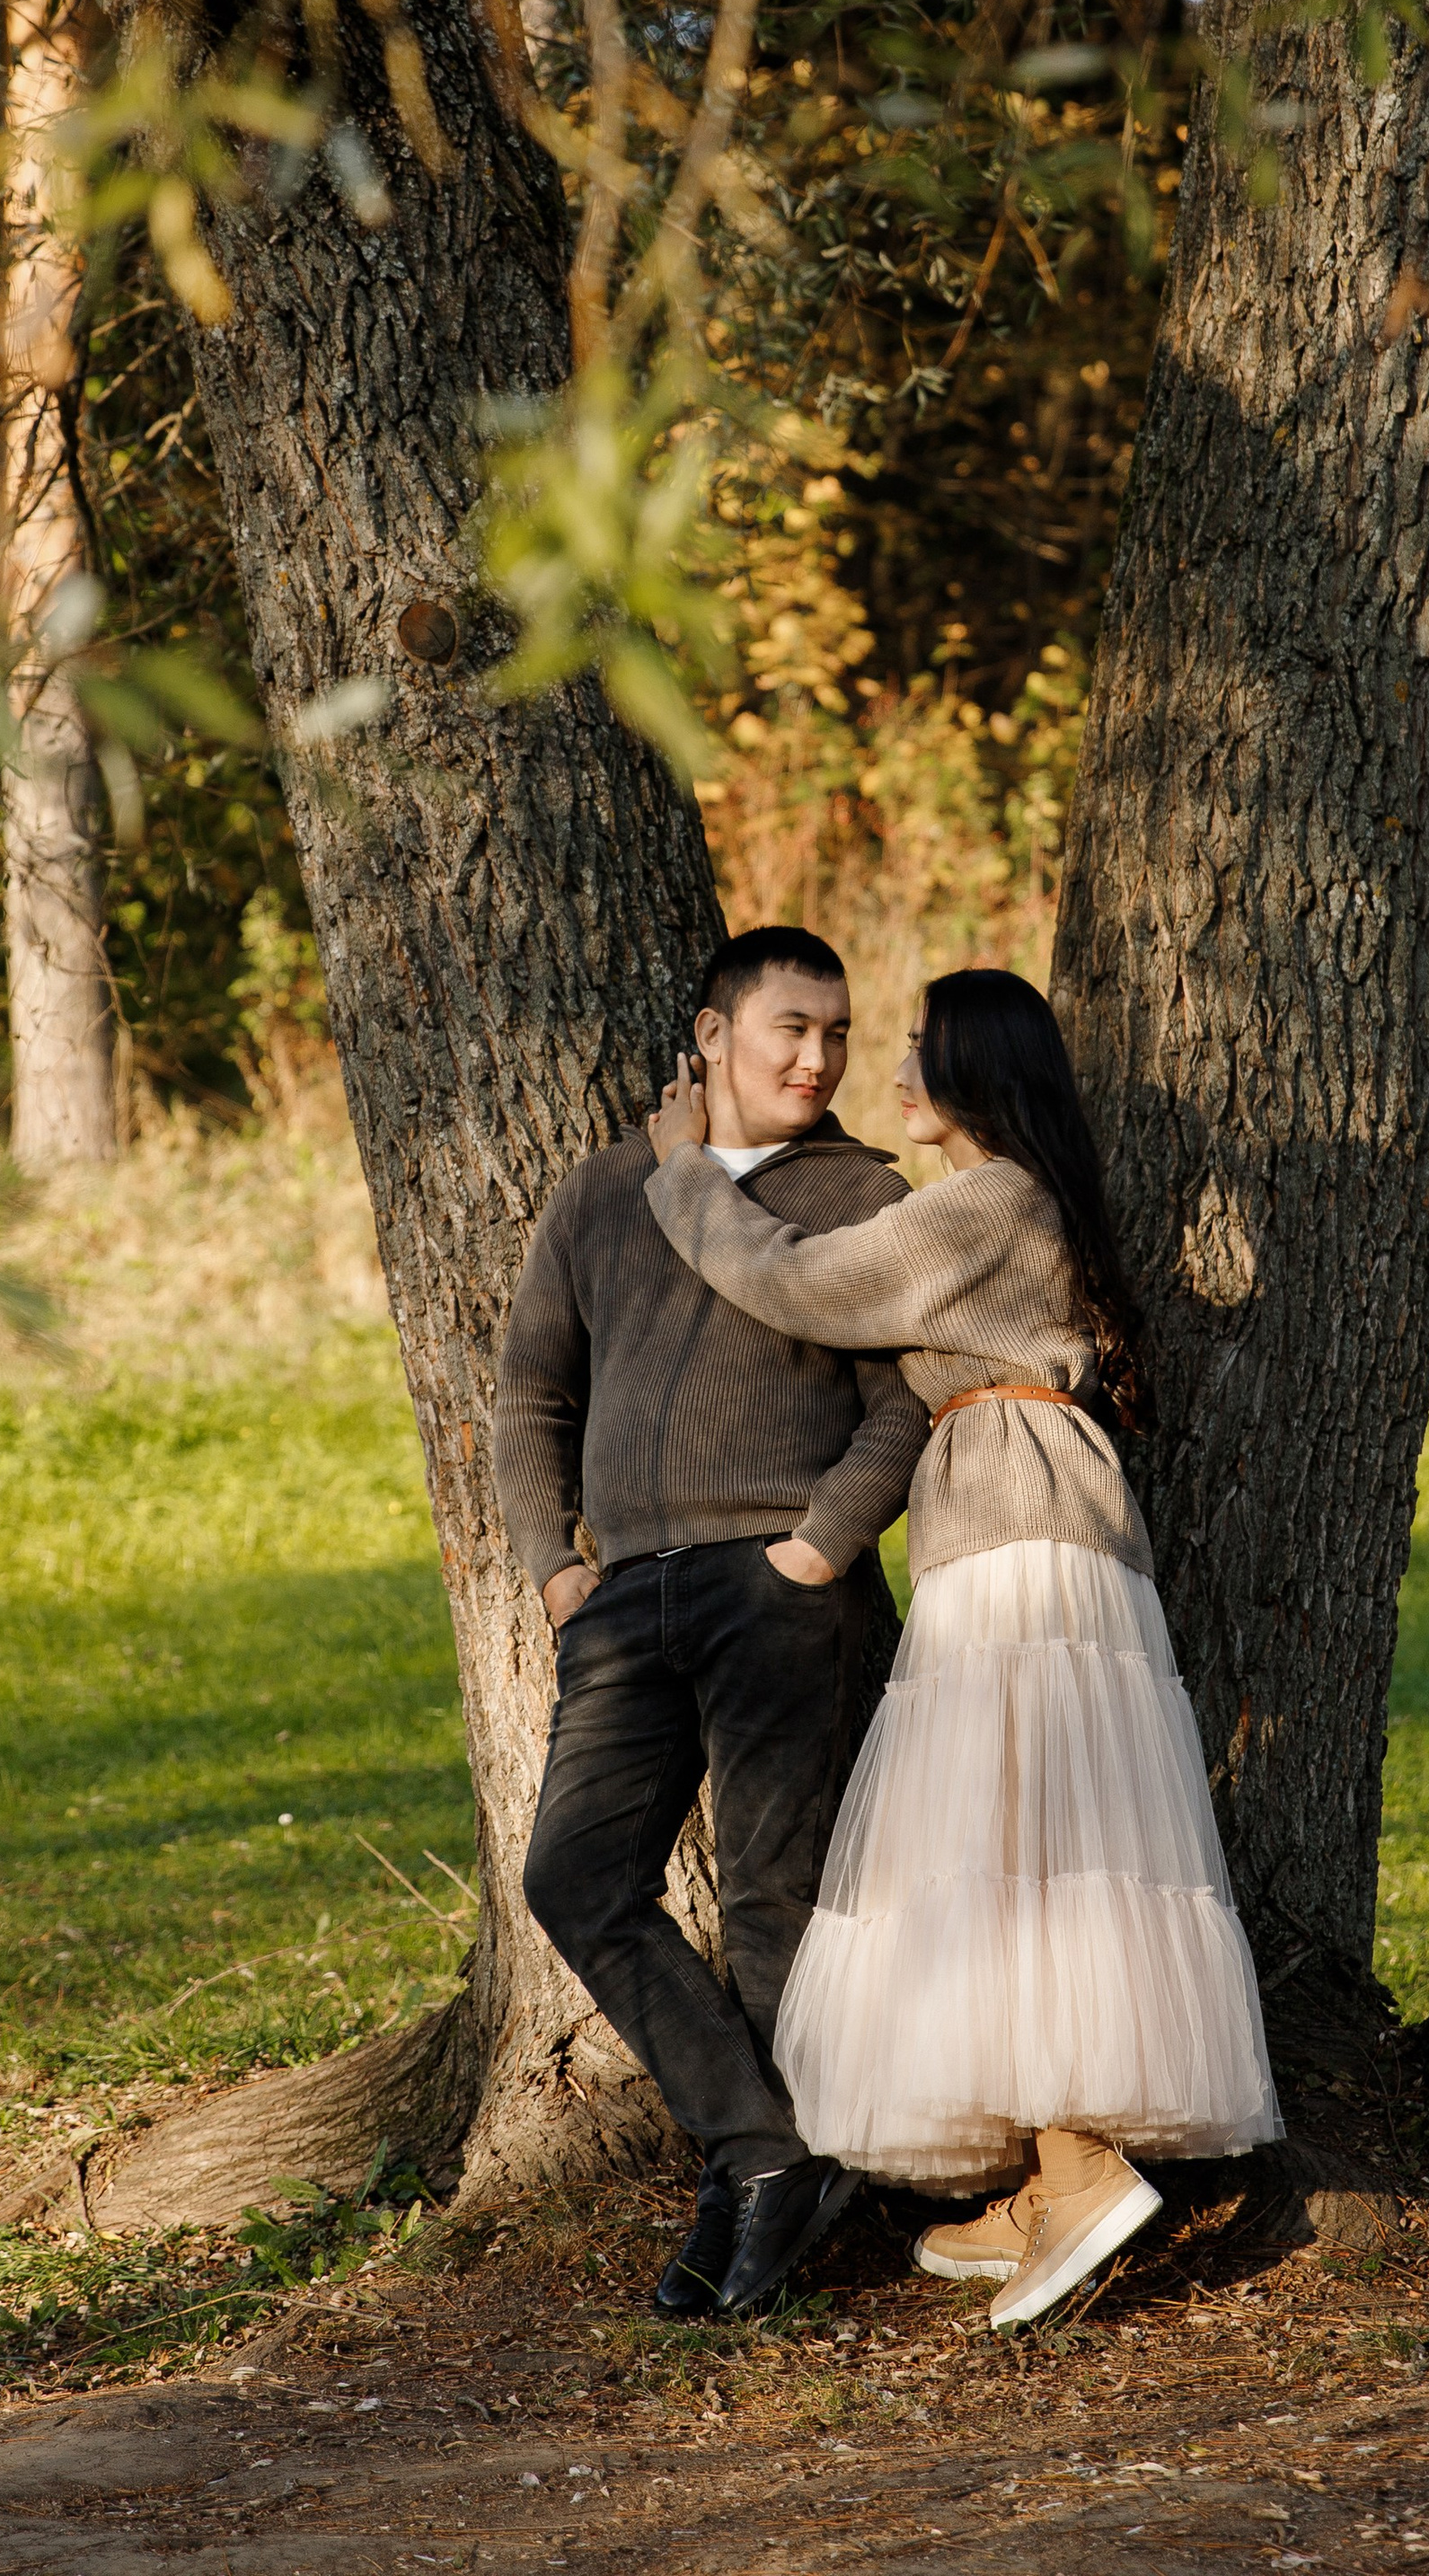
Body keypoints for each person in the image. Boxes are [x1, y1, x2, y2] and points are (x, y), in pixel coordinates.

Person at [643, 966, 1279, 2332]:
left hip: (1017, 1527)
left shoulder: (986, 1202)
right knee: (1022, 1856)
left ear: (977, 1071)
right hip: (1020, 1515)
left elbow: (798, 1282)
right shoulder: (1006, 1205)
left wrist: (688, 1175)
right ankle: (1050, 2177)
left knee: (1006, 1856)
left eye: (921, 1045)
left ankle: (1080, 2165)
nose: (898, 1063)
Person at [495, 928, 931, 2321]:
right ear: (712, 1032)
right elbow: (530, 1399)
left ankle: (790, 2181)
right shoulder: (605, 1190)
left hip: (780, 1585)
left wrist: (822, 1542)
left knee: (767, 1896)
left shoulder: (863, 1192)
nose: (817, 1059)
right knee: (573, 1874)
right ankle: (767, 2157)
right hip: (624, 1596)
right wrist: (552, 1567)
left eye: (840, 1034)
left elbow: (911, 1397)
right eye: (790, 1028)